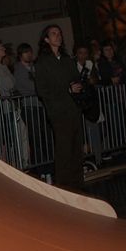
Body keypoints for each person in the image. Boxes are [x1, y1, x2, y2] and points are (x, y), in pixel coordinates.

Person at [35, 24, 85, 190]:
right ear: (46, 39)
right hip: (58, 111)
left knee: (76, 149)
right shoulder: (43, 62)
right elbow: (42, 90)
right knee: (64, 149)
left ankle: (78, 184)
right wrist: (66, 90)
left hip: (73, 109)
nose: (58, 36)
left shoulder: (66, 60)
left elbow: (76, 79)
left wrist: (78, 86)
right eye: (54, 33)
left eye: (59, 33)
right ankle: (64, 186)